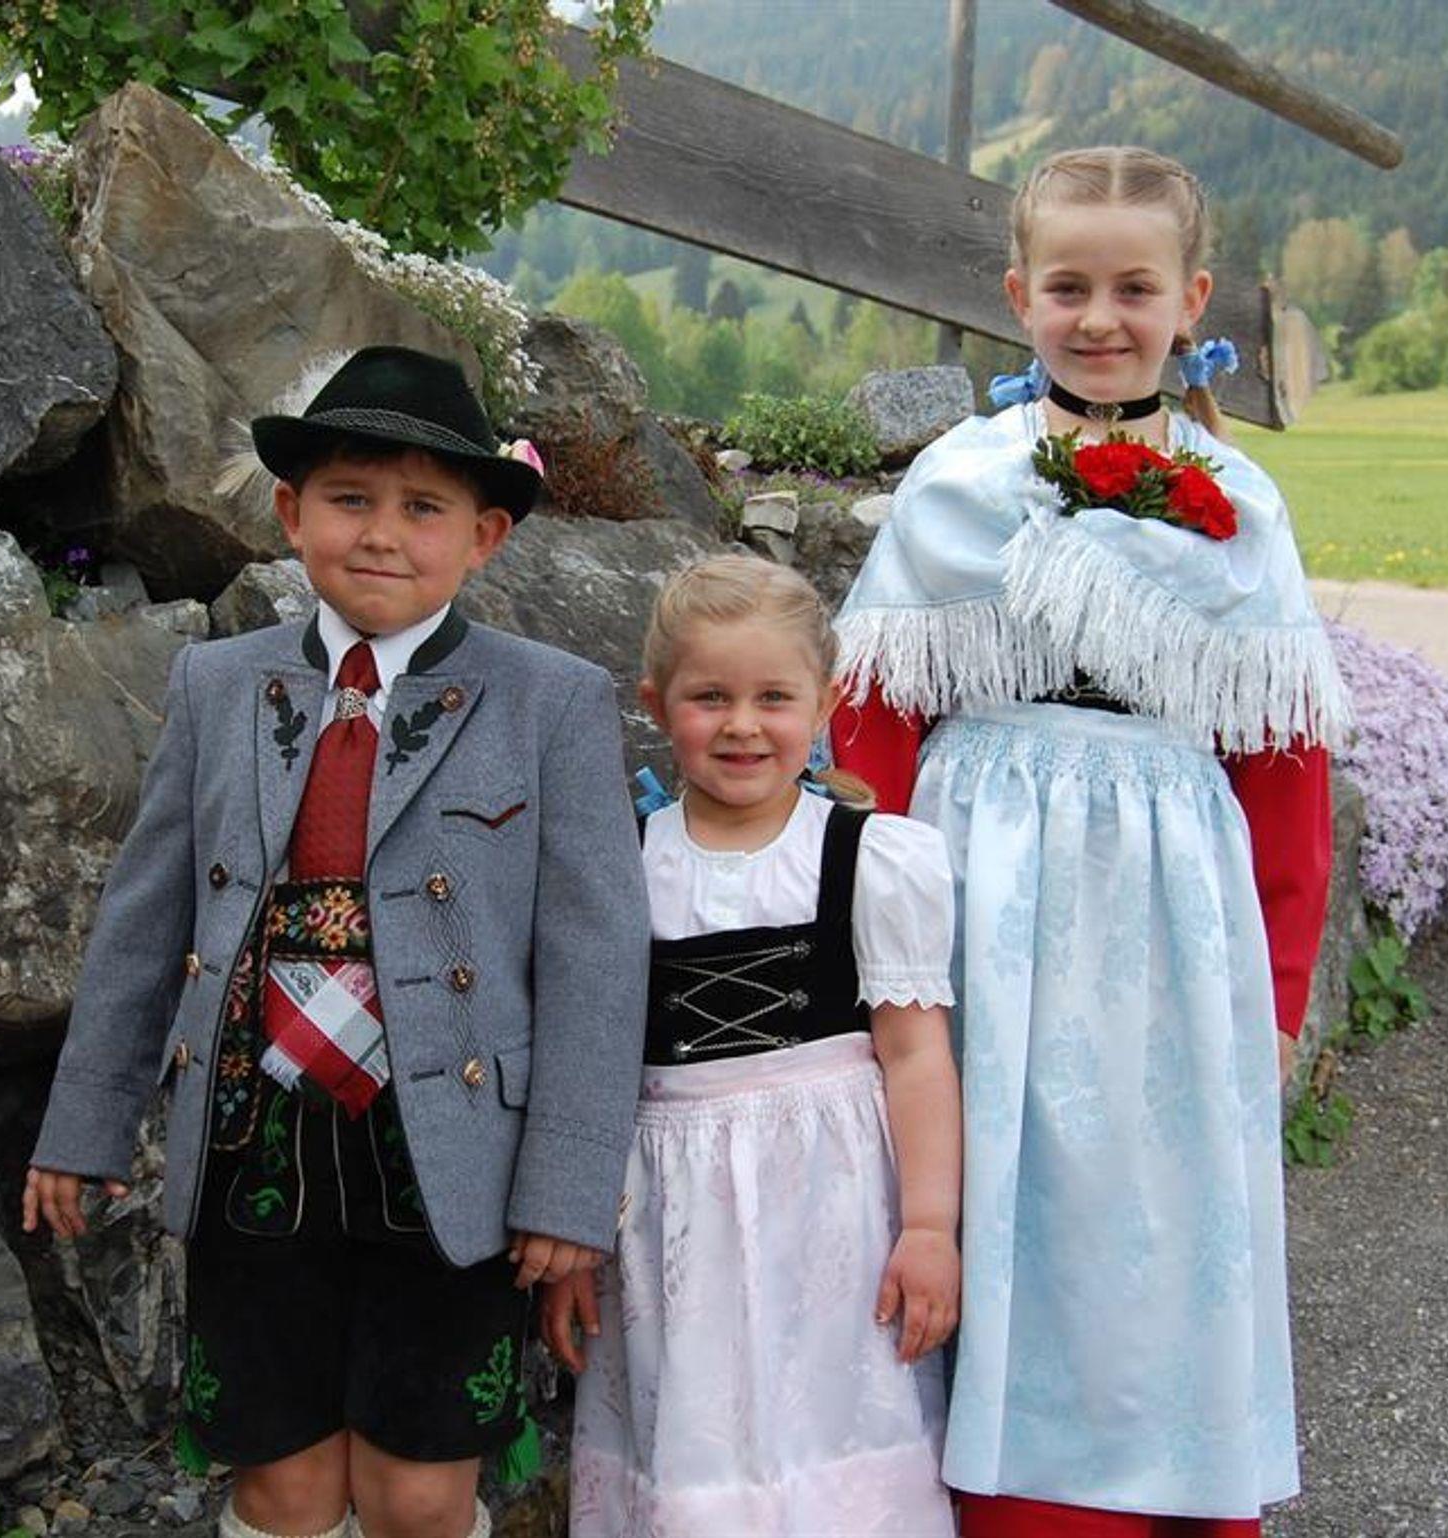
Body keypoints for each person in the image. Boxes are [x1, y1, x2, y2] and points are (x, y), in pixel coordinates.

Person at [22, 345, 650, 1538]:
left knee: (417, 1491)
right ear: (290, 513)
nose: (381, 534)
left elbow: (595, 961)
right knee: (283, 1484)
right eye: (350, 498)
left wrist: (567, 1193)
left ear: (484, 536)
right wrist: (84, 1122)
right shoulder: (216, 684)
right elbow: (143, 920)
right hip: (251, 1145)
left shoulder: (551, 699)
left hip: (454, 1160)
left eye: (422, 508)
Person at [831, 146, 1348, 1536]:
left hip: (1166, 917)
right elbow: (874, 728)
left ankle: (1165, 1501)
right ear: (1018, 295)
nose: (1100, 317)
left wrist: (1277, 992)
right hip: (981, 894)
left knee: (1153, 1221)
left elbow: (1283, 769)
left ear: (1191, 301)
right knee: (990, 1195)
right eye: (1068, 287)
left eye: (1133, 288)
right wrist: (866, 936)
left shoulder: (1240, 507)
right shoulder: (956, 481)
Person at [545, 552, 962, 1538]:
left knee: (834, 1446)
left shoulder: (868, 856)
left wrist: (930, 1227)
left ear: (824, 701)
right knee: (696, 1457)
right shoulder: (624, 863)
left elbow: (914, 1055)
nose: (742, 724)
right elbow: (585, 1066)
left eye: (773, 697)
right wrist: (569, 1237)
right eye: (710, 697)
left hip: (834, 1214)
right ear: (655, 703)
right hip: (670, 1219)